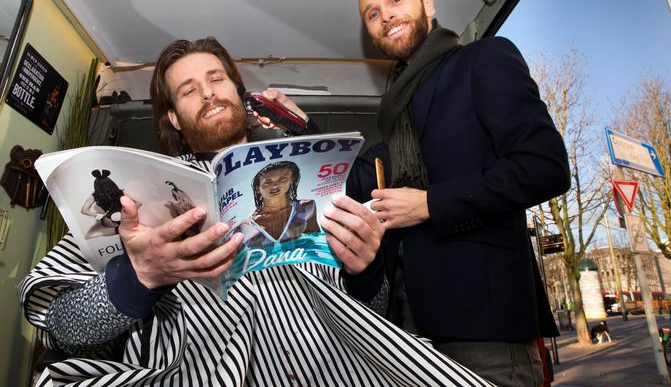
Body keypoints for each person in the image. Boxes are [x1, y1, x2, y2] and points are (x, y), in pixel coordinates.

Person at [19, 37, 491, 386]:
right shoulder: (138, 201)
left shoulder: (314, 179)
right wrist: (139, 275)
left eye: (216, 79)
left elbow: (371, 313)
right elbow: (63, 328)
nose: (207, 93)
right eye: (187, 90)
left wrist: (366, 272)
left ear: (239, 93)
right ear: (173, 119)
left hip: (336, 368)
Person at [261, 0, 570, 387]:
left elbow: (544, 167)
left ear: (428, 4)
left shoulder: (484, 59)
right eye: (371, 13)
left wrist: (429, 204)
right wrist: (302, 129)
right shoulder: (395, 112)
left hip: (487, 334)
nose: (384, 15)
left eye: (395, 0)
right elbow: (356, 179)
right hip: (408, 336)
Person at [233, 161, 320, 247]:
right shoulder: (245, 226)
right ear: (257, 188)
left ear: (291, 180)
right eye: (267, 182)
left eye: (282, 179)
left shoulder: (306, 206)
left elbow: (316, 239)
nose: (275, 186)